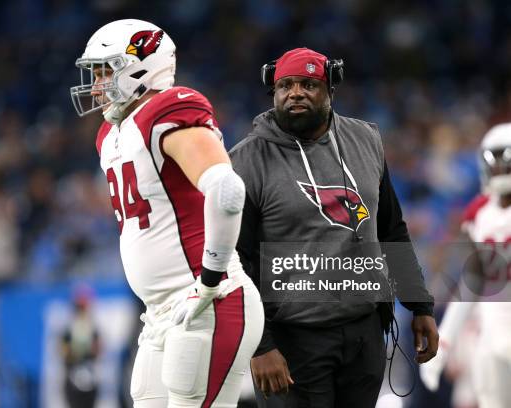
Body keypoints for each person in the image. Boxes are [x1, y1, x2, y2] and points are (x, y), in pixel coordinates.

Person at [69, 19, 264, 408]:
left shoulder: (167, 110)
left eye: (105, 71)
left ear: (141, 67)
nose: (95, 86)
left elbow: (226, 190)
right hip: (161, 313)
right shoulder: (111, 135)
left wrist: (209, 282)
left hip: (210, 299)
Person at [229, 48, 439, 408]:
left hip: (363, 332)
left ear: (331, 89)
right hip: (291, 341)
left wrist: (420, 306)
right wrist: (260, 346)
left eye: (308, 84)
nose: (295, 93)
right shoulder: (246, 160)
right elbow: (236, 260)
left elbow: (391, 229)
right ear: (273, 91)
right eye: (285, 85)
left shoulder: (366, 140)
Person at [420, 123, 511, 408]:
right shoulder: (479, 213)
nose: (499, 169)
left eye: (505, 160)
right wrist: (445, 340)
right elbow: (475, 278)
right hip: (492, 334)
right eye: (493, 161)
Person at [61, 285, 102, 408]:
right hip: (74, 380)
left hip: (89, 380)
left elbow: (97, 350)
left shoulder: (92, 328)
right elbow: (65, 352)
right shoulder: (69, 328)